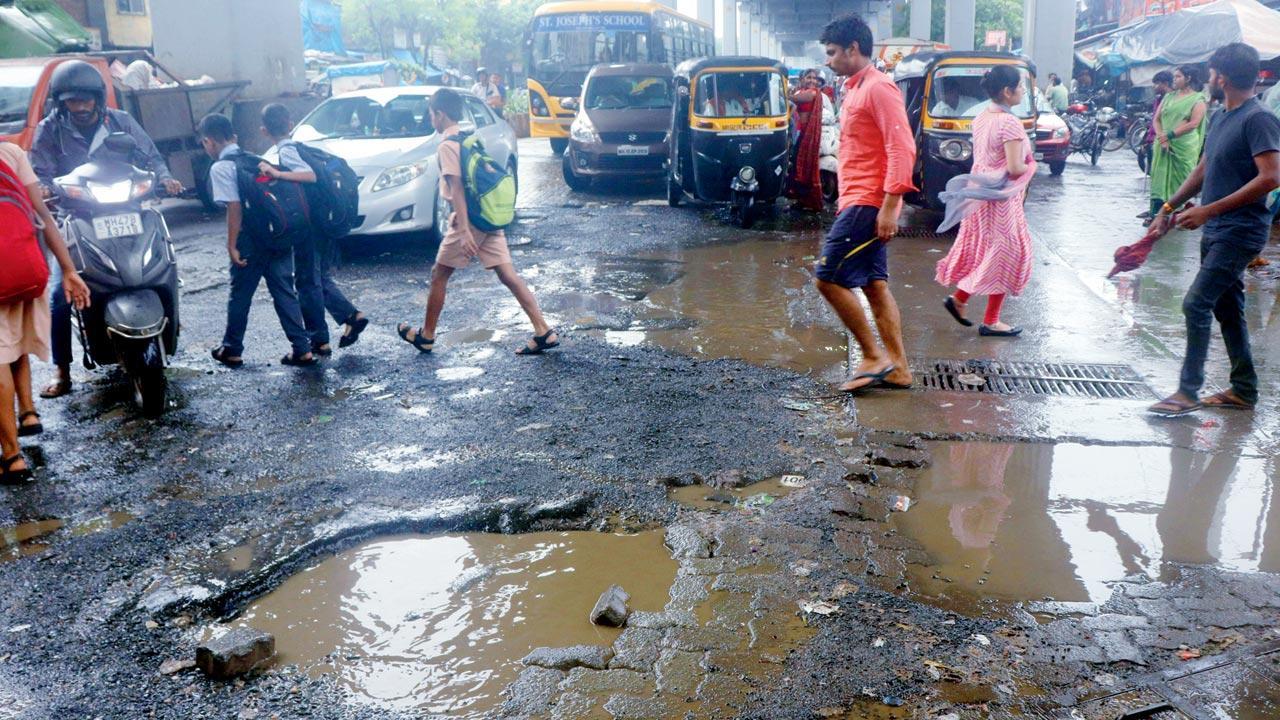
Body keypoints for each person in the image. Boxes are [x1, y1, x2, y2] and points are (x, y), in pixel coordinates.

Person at [30, 60, 183, 400]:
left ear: (98, 99)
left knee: (163, 265)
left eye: (86, 100)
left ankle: (169, 331)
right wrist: (42, 187)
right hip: (76, 214)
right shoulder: (49, 129)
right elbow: (38, 171)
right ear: (62, 102)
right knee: (59, 295)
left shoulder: (120, 121)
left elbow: (150, 155)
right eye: (73, 101)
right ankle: (63, 370)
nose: (81, 106)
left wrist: (166, 177)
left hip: (126, 208)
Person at [1147, 43, 1280, 417]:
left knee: (1196, 302)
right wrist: (1168, 208)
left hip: (1241, 230)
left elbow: (1271, 177)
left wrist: (1208, 211)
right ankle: (1243, 389)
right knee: (1227, 307)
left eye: (1210, 73)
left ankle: (1188, 391)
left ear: (1221, 76)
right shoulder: (1222, 115)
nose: (1208, 79)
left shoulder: (1259, 118)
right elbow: (1203, 169)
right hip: (1218, 227)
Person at [396, 89, 558, 356]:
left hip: (469, 220)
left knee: (439, 274)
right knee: (507, 275)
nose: (430, 119)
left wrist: (464, 232)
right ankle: (543, 331)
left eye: (431, 114)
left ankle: (427, 336)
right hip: (488, 214)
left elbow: (456, 187)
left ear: (440, 114)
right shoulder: (470, 137)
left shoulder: (448, 145)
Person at [814, 14, 915, 394]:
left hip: (868, 202)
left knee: (826, 278)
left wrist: (891, 205)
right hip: (855, 200)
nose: (828, 60)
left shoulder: (879, 88)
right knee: (874, 286)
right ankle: (899, 368)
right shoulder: (853, 88)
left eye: (832, 52)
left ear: (853, 49)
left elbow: (901, 147)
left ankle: (874, 356)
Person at [0, 142, 91, 483]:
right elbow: (41, 213)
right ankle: (28, 414)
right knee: (13, 345)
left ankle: (11, 457)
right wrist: (68, 269)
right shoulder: (10, 153)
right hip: (24, 269)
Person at [198, 113, 317, 369]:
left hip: (250, 242)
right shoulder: (257, 160)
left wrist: (231, 245)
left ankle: (232, 349)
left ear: (208, 142)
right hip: (278, 234)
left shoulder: (221, 168)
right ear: (234, 137)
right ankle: (302, 348)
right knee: (285, 291)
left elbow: (234, 208)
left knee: (240, 295)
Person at [936, 65, 1037, 337]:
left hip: (979, 196)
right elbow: (1016, 167)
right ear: (1007, 91)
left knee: (988, 251)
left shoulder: (981, 117)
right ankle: (989, 319)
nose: (1023, 90)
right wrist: (1032, 166)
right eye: (1020, 86)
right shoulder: (1009, 123)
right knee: (1006, 253)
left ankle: (961, 302)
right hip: (1000, 201)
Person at [259, 104, 369, 352]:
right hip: (322, 221)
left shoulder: (286, 152)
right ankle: (351, 317)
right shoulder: (299, 147)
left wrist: (277, 173)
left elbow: (309, 176)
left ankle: (319, 339)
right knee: (318, 277)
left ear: (264, 131)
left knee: (307, 281)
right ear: (290, 124)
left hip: (309, 224)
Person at [1149, 66, 1207, 221]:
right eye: (1174, 77)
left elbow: (1194, 123)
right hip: (1162, 144)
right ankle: (1156, 213)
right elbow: (1156, 119)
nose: (1174, 80)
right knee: (1158, 178)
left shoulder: (1198, 99)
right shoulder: (1168, 97)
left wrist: (1169, 135)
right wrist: (1162, 136)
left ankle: (1177, 213)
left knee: (1181, 178)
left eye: (1178, 77)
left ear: (1188, 78)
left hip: (1183, 145)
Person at [787, 70, 825, 212]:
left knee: (804, 167)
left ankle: (810, 201)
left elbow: (795, 99)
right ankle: (800, 201)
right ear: (801, 78)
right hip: (796, 133)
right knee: (795, 166)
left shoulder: (813, 92)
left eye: (814, 78)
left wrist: (783, 94)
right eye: (809, 77)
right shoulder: (800, 90)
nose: (812, 80)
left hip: (806, 134)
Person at [1137, 70, 1174, 188]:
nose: (1154, 86)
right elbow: (1155, 121)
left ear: (1165, 83)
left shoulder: (1174, 99)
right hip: (1154, 139)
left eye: (1157, 83)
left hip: (1166, 140)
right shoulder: (1158, 99)